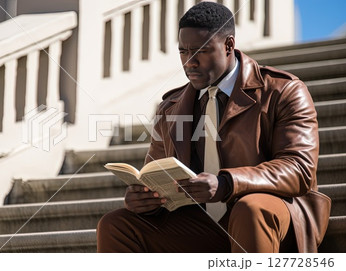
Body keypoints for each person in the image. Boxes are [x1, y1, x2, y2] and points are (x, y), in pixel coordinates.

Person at [97, 1, 330, 253]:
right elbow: (156, 172)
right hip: (202, 225)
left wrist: (227, 183)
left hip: (269, 217)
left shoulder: (283, 90)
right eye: (183, 52)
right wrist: (144, 199)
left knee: (248, 209)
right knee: (115, 224)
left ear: (229, 45)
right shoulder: (170, 107)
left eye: (200, 52)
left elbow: (299, 168)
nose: (189, 62)